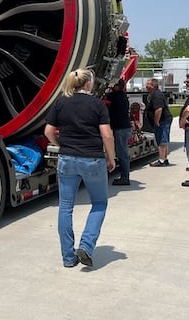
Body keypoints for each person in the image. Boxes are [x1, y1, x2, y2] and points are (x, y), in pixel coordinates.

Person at [44, 68, 115, 268]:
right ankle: (86, 245)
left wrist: (60, 145)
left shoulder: (61, 102)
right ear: (88, 84)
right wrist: (111, 158)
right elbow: (107, 135)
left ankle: (68, 257)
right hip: (92, 159)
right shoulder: (97, 104)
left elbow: (48, 131)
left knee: (66, 207)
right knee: (99, 203)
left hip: (67, 159)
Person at [106, 80, 132, 185]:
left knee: (122, 153)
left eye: (114, 85)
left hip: (121, 128)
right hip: (124, 127)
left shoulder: (115, 96)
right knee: (122, 152)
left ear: (118, 86)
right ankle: (124, 175)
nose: (112, 87)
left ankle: (125, 177)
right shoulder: (122, 96)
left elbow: (106, 99)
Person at [145, 78, 173, 167]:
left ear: (153, 85)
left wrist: (156, 121)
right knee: (163, 138)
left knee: (161, 139)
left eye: (147, 84)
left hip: (162, 120)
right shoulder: (155, 94)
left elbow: (159, 109)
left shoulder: (157, 95)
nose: (146, 86)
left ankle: (161, 160)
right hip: (163, 120)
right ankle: (164, 158)